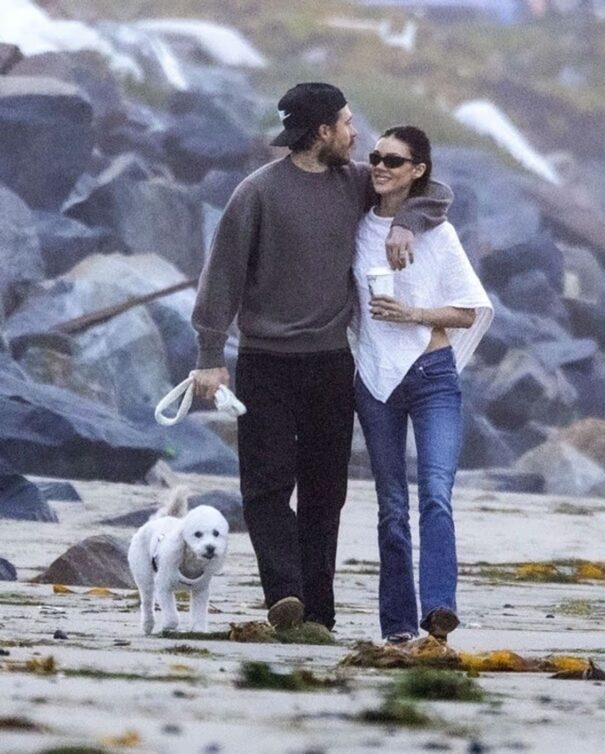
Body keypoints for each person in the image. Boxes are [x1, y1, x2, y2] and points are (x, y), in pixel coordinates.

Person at [190, 83, 453, 632]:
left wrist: (405, 223)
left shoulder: (354, 182)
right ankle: (285, 594)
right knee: (265, 488)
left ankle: (319, 614)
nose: (356, 136)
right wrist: (210, 353)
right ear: (323, 131)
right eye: (348, 124)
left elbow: (435, 191)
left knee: (325, 493)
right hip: (264, 362)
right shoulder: (257, 192)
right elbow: (222, 276)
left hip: (330, 364)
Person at [353, 125, 494, 645]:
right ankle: (396, 626)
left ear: (417, 170)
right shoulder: (356, 226)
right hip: (375, 379)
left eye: (394, 160)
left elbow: (468, 310)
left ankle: (438, 610)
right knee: (391, 506)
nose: (380, 166)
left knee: (436, 494)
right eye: (375, 157)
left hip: (433, 375)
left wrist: (412, 313)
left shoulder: (439, 233)